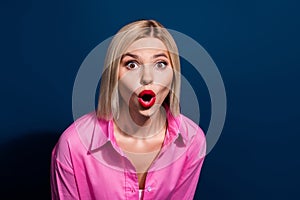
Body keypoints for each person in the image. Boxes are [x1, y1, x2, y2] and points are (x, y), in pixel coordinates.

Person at [51, 19, 206, 200]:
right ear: (113, 74)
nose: (147, 78)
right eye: (132, 64)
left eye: (160, 64)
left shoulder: (192, 140)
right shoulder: (73, 145)